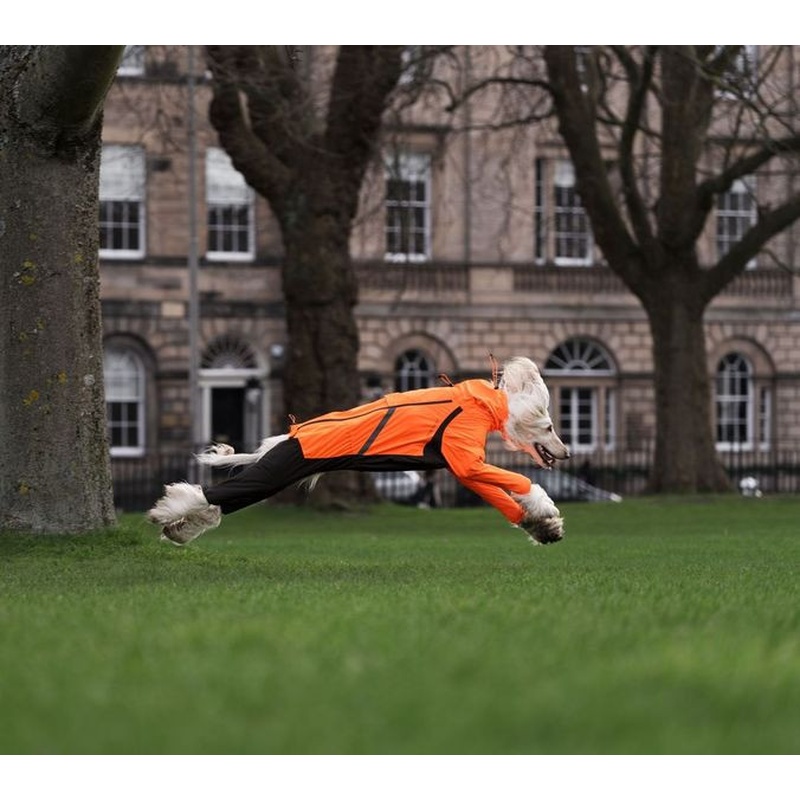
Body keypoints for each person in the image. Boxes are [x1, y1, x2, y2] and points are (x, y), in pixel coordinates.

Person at [148, 356, 570, 547]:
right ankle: (190, 500)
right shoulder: (471, 412)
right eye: (547, 430)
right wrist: (528, 490)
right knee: (259, 484)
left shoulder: (474, 406)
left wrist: (520, 516)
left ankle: (193, 521)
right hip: (326, 442)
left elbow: (471, 473)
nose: (555, 445)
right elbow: (468, 468)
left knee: (262, 485)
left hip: (333, 441)